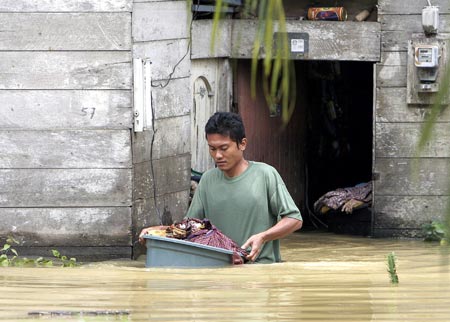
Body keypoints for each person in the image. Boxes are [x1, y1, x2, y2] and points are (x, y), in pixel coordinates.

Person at [140, 112, 302, 263]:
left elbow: (294, 220)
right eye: (212, 149)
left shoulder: (266, 174)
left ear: (242, 144)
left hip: (258, 272)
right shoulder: (207, 180)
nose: (218, 155)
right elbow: (189, 229)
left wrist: (264, 236)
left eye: (224, 148)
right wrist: (157, 232)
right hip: (219, 271)